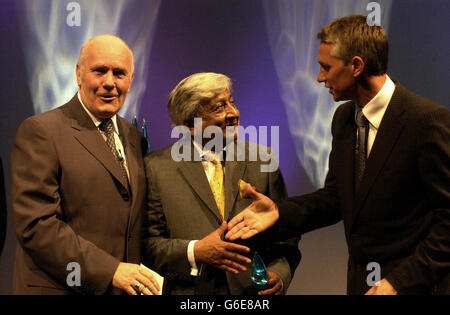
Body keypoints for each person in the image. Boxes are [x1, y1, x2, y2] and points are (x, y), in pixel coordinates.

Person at [226, 15, 450, 295]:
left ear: (356, 66)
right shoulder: (344, 118)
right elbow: (335, 199)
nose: (320, 78)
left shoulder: (426, 121)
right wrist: (278, 212)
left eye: (325, 67)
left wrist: (399, 282)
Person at [11, 35, 160, 295]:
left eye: (119, 73)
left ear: (131, 80)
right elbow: (37, 226)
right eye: (99, 71)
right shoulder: (41, 131)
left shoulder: (134, 138)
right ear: (79, 75)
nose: (109, 83)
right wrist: (110, 270)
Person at [142, 72, 300, 295]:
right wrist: (195, 251)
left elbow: (287, 231)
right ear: (190, 125)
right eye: (219, 108)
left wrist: (279, 274)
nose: (233, 113)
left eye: (232, 103)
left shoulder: (262, 159)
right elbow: (148, 244)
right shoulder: (156, 168)